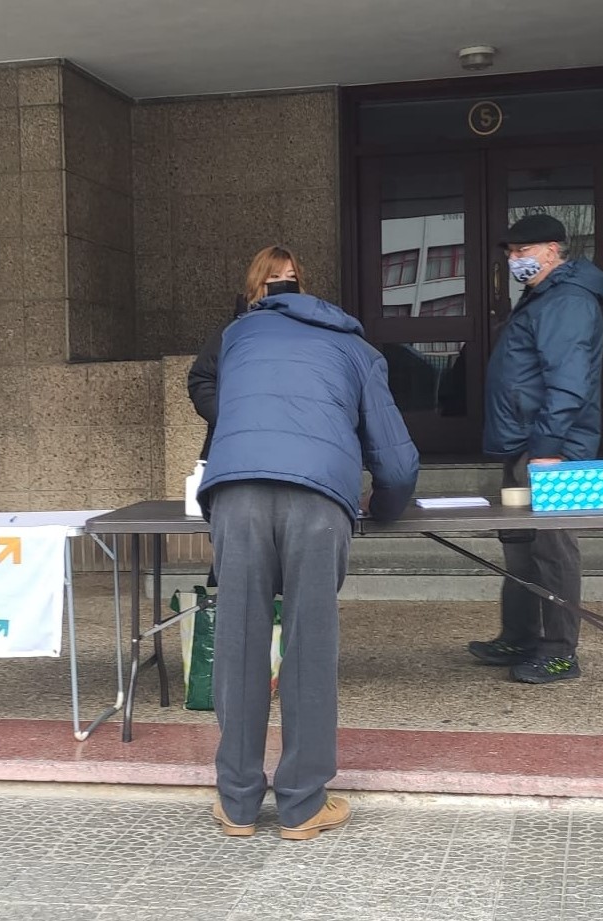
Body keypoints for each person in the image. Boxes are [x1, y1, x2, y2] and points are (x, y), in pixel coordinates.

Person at [197, 251, 419, 840]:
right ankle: (301, 805)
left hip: (237, 494)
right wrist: (382, 507)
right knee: (308, 647)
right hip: (318, 500)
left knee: (239, 642)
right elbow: (398, 462)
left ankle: (237, 803)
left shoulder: (238, 337)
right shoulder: (356, 349)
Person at [469, 214, 603, 684]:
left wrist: (548, 447)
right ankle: (521, 635)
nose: (514, 259)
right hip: (526, 442)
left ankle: (559, 652)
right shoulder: (543, 296)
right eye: (511, 252)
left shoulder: (567, 300)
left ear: (553, 250)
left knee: (552, 548)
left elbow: (569, 380)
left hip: (550, 447)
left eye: (523, 250)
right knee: (520, 545)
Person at [188, 245, 303, 461]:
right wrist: (230, 419)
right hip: (236, 447)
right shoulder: (233, 331)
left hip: (294, 445)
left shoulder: (309, 330)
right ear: (258, 281)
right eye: (275, 276)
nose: (284, 282)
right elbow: (202, 379)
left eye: (291, 276)